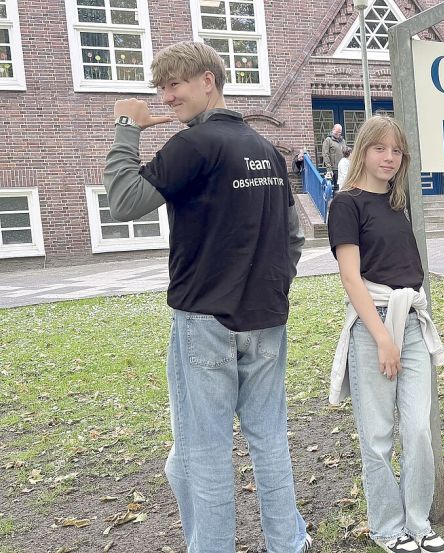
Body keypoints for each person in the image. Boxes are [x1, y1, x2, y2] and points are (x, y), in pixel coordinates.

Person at [101, 41, 311, 552]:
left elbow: (124, 200)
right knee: (269, 440)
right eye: (160, 88)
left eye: (174, 84)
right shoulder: (265, 148)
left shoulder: (195, 146)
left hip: (206, 321)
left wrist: (126, 129)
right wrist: (273, 289)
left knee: (205, 451)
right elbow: (294, 236)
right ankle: (289, 544)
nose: (165, 98)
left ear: (207, 81)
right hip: (266, 319)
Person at [327, 116, 444, 553]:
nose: (389, 157)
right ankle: (386, 527)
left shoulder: (400, 202)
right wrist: (381, 337)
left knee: (417, 429)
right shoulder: (347, 204)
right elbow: (350, 277)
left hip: (412, 319)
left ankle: (418, 522)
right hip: (373, 323)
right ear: (362, 149)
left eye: (396, 151)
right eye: (380, 148)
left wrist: (402, 330)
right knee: (377, 435)